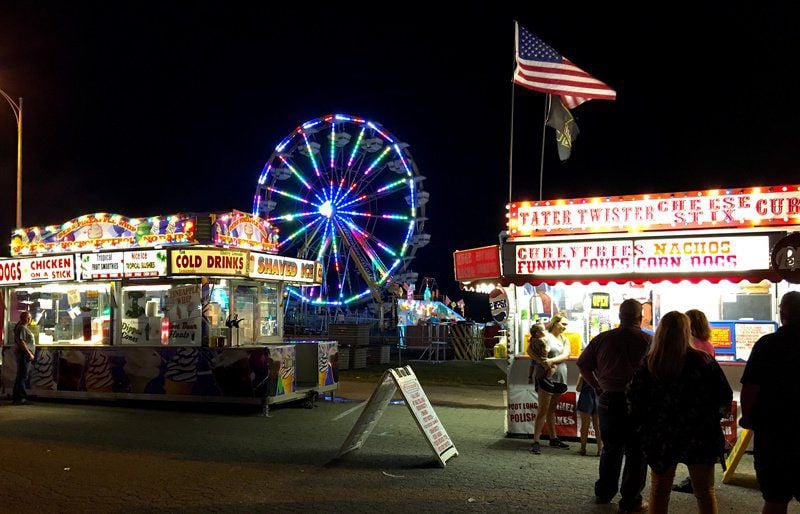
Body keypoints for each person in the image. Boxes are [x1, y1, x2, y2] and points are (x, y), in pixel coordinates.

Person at [628, 311, 732, 514]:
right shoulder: (703, 361)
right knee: (705, 492)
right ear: (687, 332)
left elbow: (634, 399)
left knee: (659, 491)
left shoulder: (650, 363)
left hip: (661, 434)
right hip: (699, 433)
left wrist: (644, 426)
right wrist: (710, 417)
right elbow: (724, 396)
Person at [577, 299, 652, 514]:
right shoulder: (649, 341)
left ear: (620, 316)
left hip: (609, 399)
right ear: (640, 317)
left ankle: (604, 493)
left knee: (611, 448)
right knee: (636, 451)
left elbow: (583, 364)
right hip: (637, 403)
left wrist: (598, 386)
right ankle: (631, 500)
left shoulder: (603, 339)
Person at [740, 291, 800, 513]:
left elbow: (750, 388)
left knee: (775, 500)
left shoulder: (767, 344)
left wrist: (747, 418)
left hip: (774, 434)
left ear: (782, 313)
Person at [672, 308, 717, 495]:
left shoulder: (692, 346)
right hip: (706, 402)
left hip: (691, 403)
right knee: (704, 449)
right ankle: (706, 481)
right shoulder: (708, 345)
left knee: (692, 448)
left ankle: (696, 482)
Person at [529, 312, 572, 454]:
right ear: (555, 323)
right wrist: (542, 361)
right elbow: (529, 350)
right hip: (546, 377)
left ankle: (553, 438)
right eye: (563, 323)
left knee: (551, 410)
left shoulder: (565, 340)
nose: (565, 327)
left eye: (566, 324)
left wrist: (550, 361)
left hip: (560, 376)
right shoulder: (544, 335)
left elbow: (566, 354)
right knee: (542, 410)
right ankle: (536, 440)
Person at [13, 311, 36, 405]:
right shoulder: (22, 327)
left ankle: (17, 397)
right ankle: (20, 398)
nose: (29, 319)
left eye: (29, 317)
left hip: (24, 355)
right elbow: (21, 342)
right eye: (27, 318)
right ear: (22, 318)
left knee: (21, 376)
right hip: (24, 355)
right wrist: (29, 353)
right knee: (22, 376)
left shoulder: (23, 327)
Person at [576, 373, 602, 456]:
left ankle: (583, 449)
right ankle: (600, 450)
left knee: (586, 425)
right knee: (597, 426)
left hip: (587, 396)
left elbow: (578, 389)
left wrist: (581, 378)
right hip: (597, 396)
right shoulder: (601, 371)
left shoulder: (584, 372)